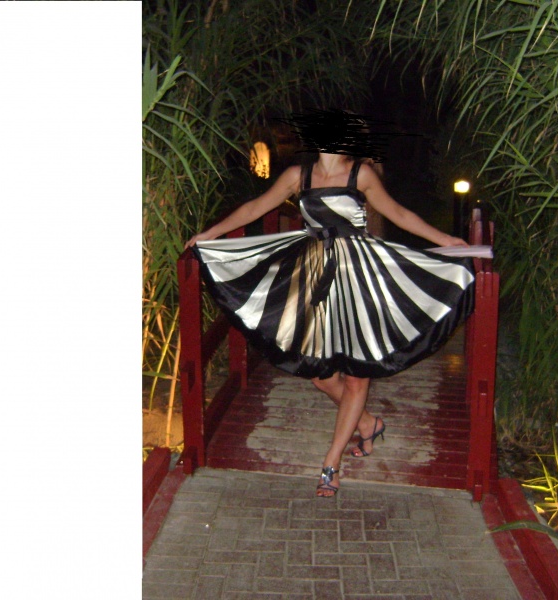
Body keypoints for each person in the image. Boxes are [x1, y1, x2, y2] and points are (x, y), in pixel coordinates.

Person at [185, 109, 474, 497]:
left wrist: (445, 240)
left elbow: (399, 213)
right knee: (318, 371)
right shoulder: (298, 175)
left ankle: (331, 463)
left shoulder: (361, 174)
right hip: (315, 275)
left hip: (359, 275)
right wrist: (211, 233)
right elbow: (255, 208)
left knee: (356, 372)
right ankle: (367, 423)